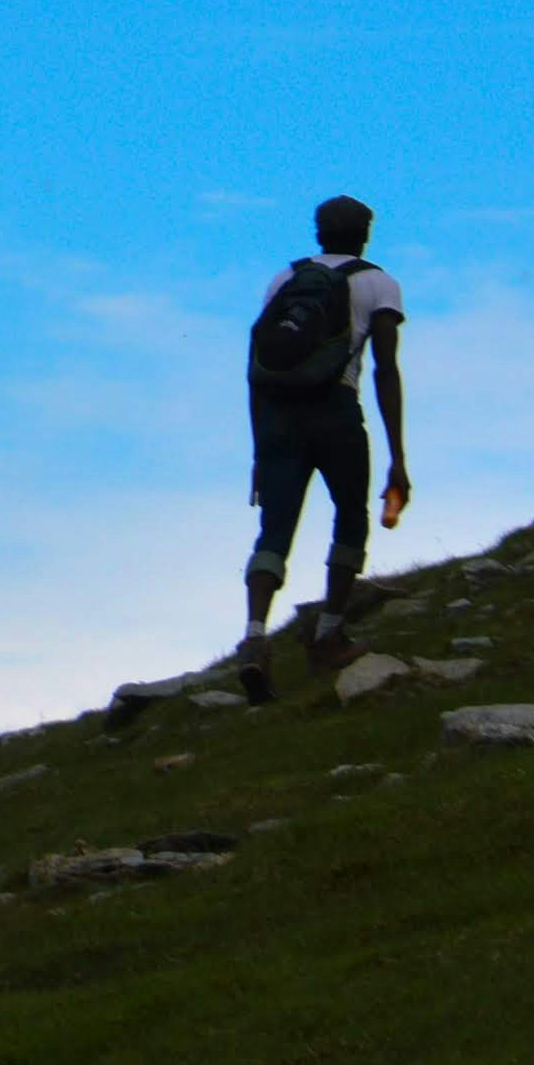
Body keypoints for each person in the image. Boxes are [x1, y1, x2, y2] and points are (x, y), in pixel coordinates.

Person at [233, 193, 407, 702]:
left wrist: (258, 451)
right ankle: (329, 633)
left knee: (275, 528)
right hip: (336, 410)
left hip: (278, 419)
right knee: (351, 514)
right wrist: (397, 456)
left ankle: (254, 637)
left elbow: (258, 367)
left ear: (318, 232)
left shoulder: (285, 279)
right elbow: (385, 369)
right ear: (366, 232)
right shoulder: (378, 282)